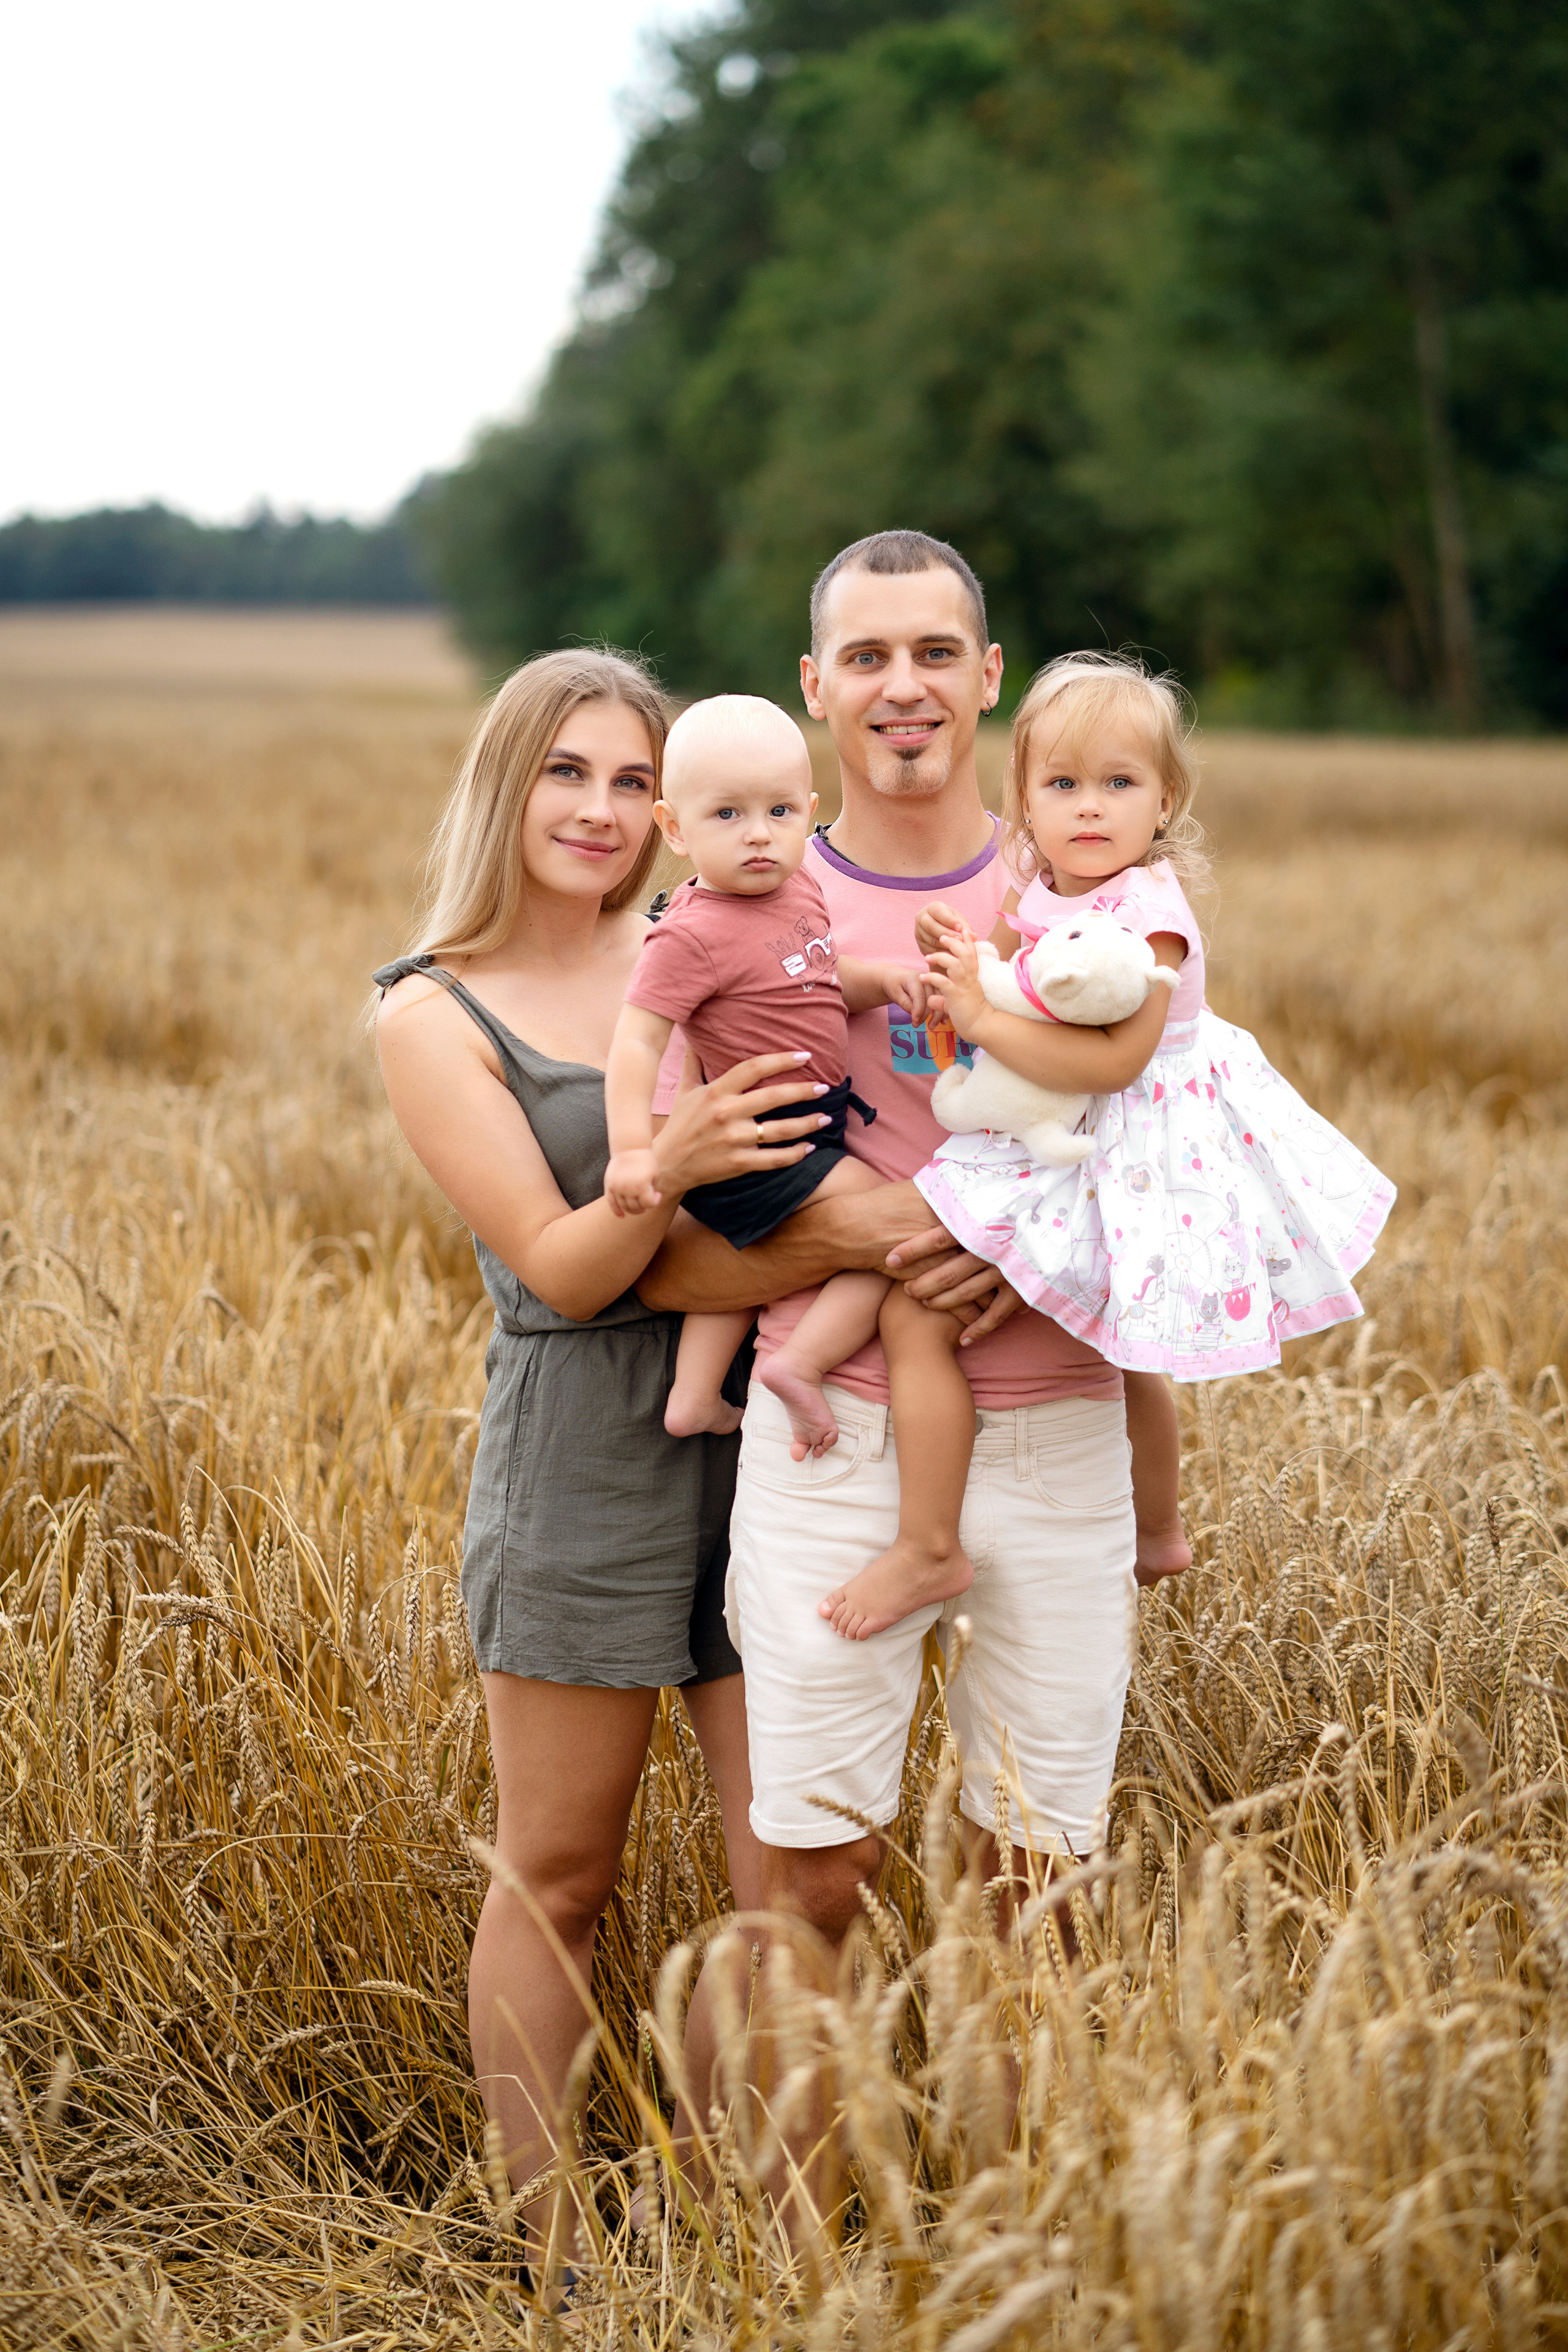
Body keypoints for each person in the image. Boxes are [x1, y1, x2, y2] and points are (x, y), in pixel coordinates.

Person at [633, 531, 1148, 2239]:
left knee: (1035, 1881)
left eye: (937, 651)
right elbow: (678, 1256)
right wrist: (893, 1224)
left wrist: (1024, 1243)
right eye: (867, 656)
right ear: (814, 687)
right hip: (833, 1434)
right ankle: (790, 2262)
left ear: (989, 677)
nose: (905, 686)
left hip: (1061, 1428)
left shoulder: (1083, 876)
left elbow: (1182, 1169)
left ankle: (1016, 2253)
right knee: (811, 1868)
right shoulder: (731, 914)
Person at [372, 648, 834, 2274]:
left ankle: (744, 2213)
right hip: (579, 1462)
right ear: (509, 783)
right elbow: (559, 1273)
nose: (603, 809)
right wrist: (674, 1173)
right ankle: (545, 2231)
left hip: (772, 1444)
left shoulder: (691, 947)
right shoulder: (433, 1010)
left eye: (636, 780)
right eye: (569, 772)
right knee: (558, 1870)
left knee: (782, 1869)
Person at [913, 649, 1396, 1387]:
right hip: (1061, 1092)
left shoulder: (1150, 916)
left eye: (1120, 782)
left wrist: (977, 1022)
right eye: (1063, 783)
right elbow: (998, 972)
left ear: (1164, 800)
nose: (1090, 805)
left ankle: (1155, 1510)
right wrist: (954, 959)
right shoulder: (1035, 883)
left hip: (1147, 1120)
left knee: (1132, 1340)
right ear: (1026, 798)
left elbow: (1116, 1065)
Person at [603, 692, 982, 1630]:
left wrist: (879, 980)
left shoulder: (798, 889)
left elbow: (813, 977)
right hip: (759, 1141)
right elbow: (635, 1047)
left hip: (807, 1127)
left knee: (798, 1250)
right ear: (675, 830)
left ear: (809, 812)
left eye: (778, 812)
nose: (759, 836)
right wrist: (631, 1155)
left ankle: (696, 1396)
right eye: (727, 816)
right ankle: (799, 1368)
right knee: (890, 1237)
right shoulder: (686, 932)